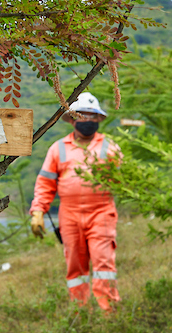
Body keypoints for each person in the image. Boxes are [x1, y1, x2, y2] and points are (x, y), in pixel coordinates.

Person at [29, 92, 122, 311]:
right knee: (75, 267)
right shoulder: (58, 149)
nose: (87, 121)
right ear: (72, 119)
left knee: (103, 263)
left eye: (91, 116)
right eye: (82, 116)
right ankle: (81, 314)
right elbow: (45, 184)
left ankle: (108, 314)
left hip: (102, 213)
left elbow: (123, 181)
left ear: (98, 119)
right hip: (69, 216)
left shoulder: (111, 148)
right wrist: (38, 212)